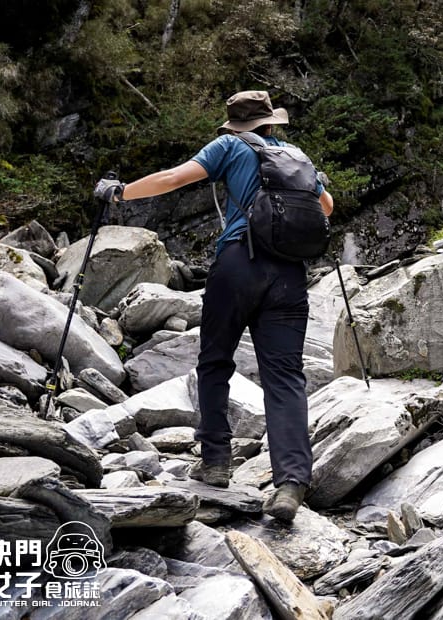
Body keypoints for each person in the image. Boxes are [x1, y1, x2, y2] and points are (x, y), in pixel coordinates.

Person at [94, 90, 333, 523]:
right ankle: (291, 483)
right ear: (271, 123)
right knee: (285, 376)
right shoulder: (297, 154)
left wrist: (119, 193)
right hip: (290, 274)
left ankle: (217, 463)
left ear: (234, 124)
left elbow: (172, 179)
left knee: (216, 361)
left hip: (240, 262)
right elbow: (327, 206)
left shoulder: (228, 146)